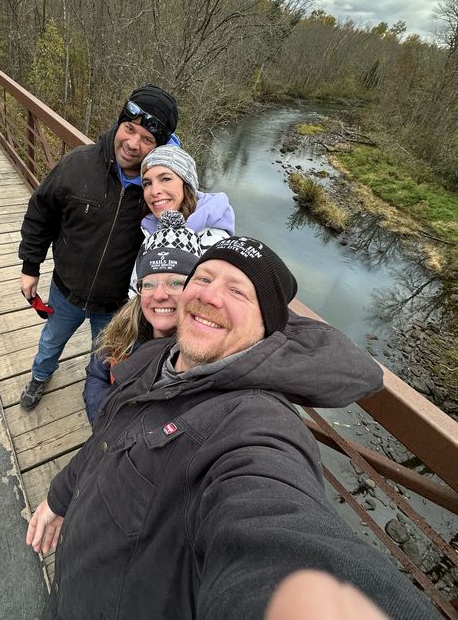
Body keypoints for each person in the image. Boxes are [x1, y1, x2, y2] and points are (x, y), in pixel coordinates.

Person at [26, 236, 438, 619]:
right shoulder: (156, 357)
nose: (208, 294)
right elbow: (108, 436)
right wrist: (61, 495)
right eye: (203, 278)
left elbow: (275, 528)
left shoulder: (253, 425)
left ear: (267, 330)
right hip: (69, 587)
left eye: (238, 291)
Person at [18, 85, 179, 410]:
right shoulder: (78, 164)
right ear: (119, 123)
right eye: (129, 129)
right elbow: (41, 212)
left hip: (115, 302)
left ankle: (103, 406)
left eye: (147, 139)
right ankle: (40, 375)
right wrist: (30, 266)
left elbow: (192, 234)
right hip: (66, 290)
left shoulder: (163, 192)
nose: (133, 144)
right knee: (51, 340)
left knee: (107, 357)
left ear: (159, 145)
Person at [82, 211, 202, 424]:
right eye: (148, 284)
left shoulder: (204, 355)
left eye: (175, 283)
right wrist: (104, 418)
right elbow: (96, 375)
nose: (159, 295)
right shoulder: (120, 329)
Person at [128, 145, 235, 295]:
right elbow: (136, 292)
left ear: (187, 183)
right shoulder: (151, 230)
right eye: (147, 183)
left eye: (165, 179)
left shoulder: (213, 241)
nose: (154, 191)